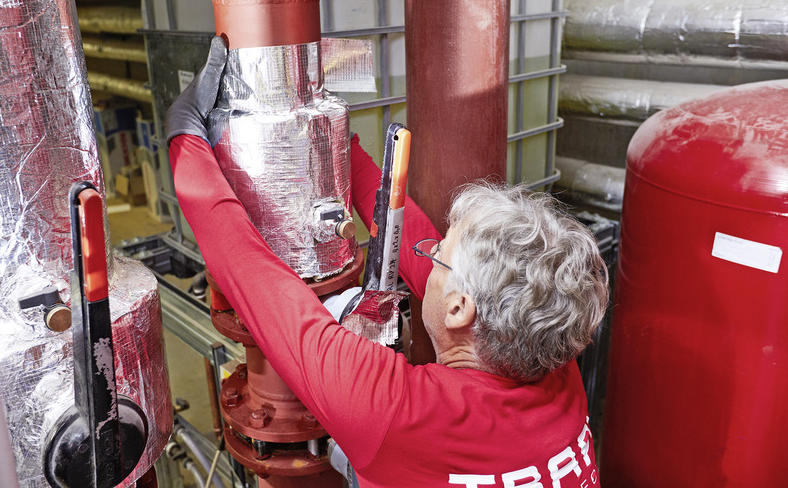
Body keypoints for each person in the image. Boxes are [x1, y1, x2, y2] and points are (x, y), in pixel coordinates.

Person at [166, 37, 609, 488]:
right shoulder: (555, 357)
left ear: (459, 308)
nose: (429, 254)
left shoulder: (401, 411)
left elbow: (253, 279)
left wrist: (184, 140)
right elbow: (412, 235)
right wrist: (333, 146)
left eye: (440, 256)